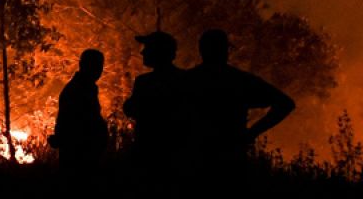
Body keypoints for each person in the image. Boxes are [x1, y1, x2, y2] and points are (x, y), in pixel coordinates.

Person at [188, 28, 294, 169]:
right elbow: (285, 104)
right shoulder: (240, 80)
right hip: (231, 156)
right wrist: (252, 133)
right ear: (226, 51)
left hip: (193, 157)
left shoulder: (187, 81)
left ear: (201, 49)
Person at [123, 30, 189, 170]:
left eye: (147, 48)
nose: (143, 53)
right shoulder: (185, 79)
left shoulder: (145, 82)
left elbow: (131, 109)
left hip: (149, 151)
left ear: (157, 51)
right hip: (177, 153)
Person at [50, 48, 108, 170]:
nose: (99, 70)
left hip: (82, 152)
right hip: (80, 155)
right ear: (82, 65)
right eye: (95, 65)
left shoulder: (83, 88)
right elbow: (79, 124)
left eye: (99, 66)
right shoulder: (78, 90)